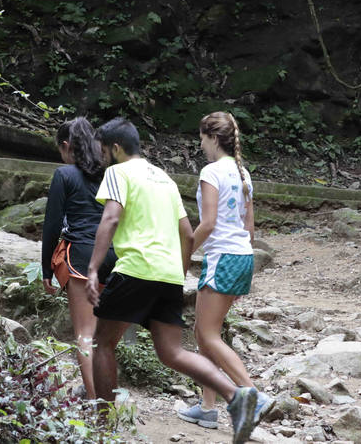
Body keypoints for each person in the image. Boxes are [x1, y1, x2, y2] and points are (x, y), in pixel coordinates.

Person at [85, 118, 265, 444]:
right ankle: (237, 396)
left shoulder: (118, 173)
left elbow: (110, 217)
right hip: (169, 273)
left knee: (103, 343)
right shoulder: (164, 178)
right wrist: (178, 272)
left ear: (114, 148)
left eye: (103, 150)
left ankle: (104, 425)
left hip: (137, 268)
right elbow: (185, 232)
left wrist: (95, 268)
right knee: (172, 352)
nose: (102, 158)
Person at [177, 111, 273, 429]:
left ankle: (253, 396)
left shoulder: (211, 172)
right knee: (206, 337)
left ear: (213, 138)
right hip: (243, 258)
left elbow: (208, 223)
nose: (201, 145)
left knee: (206, 334)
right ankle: (207, 408)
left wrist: (186, 249)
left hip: (223, 259)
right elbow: (250, 230)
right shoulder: (243, 174)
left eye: (202, 139)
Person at [40, 117, 117, 399]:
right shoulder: (112, 174)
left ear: (66, 146)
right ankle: (97, 393)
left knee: (85, 335)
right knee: (104, 339)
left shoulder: (65, 175)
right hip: (115, 256)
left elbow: (52, 224)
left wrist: (46, 268)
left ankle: (99, 405)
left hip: (82, 256)